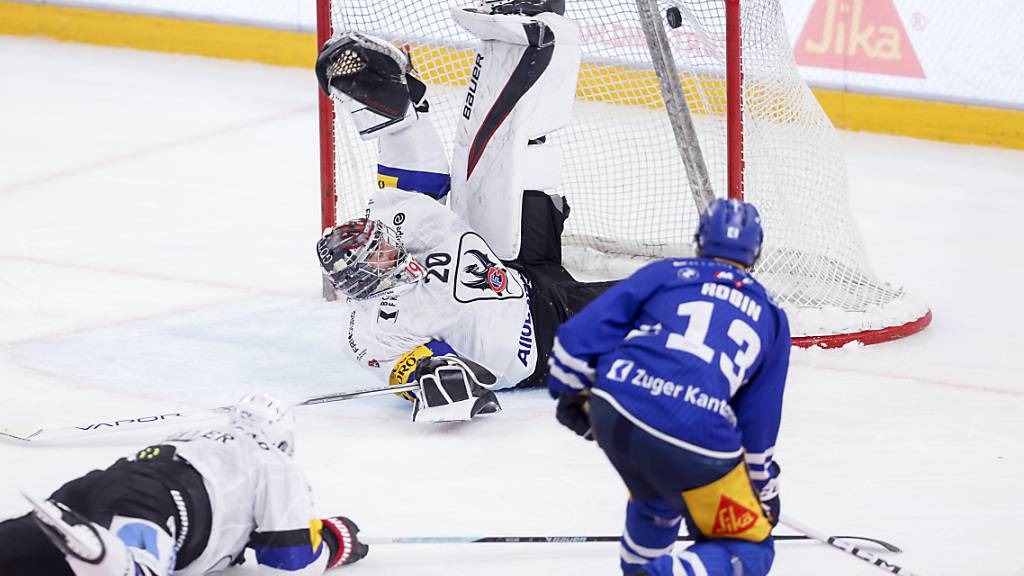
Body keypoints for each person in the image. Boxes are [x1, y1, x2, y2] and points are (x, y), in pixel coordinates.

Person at [314, 0, 614, 421]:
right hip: (546, 341)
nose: (384, 240)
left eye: (376, 237)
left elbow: (415, 175)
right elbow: (413, 366)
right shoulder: (372, 331)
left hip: (517, 265)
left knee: (511, 152)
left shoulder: (396, 228)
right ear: (368, 276)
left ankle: (541, 13)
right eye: (376, 249)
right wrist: (435, 375)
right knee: (659, 311)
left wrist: (397, 112)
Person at [547, 198, 790, 576]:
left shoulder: (666, 273)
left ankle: (643, 569)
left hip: (616, 407)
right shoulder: (772, 315)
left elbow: (575, 339)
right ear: (756, 252)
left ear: (698, 242)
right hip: (692, 432)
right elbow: (757, 429)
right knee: (751, 548)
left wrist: (570, 394)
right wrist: (764, 492)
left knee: (656, 501)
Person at [0, 393, 369, 576]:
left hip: (99, 487)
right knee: (138, 559)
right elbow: (290, 560)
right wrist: (336, 541)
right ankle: (127, 564)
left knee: (37, 554)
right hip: (159, 508)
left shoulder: (195, 440)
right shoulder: (273, 461)